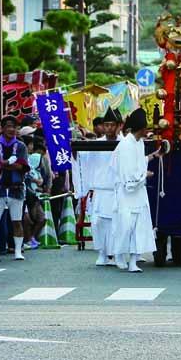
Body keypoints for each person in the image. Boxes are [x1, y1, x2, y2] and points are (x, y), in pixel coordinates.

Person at [111, 108, 163, 272]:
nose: (148, 131)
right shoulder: (125, 145)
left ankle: (133, 260)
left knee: (139, 227)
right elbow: (128, 172)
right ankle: (119, 255)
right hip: (128, 192)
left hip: (139, 192)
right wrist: (143, 175)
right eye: (146, 128)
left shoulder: (139, 143)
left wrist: (154, 155)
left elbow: (139, 162)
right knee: (125, 226)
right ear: (140, 129)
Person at [75, 108, 122, 266]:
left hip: (117, 191)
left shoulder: (124, 144)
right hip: (101, 191)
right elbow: (83, 160)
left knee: (115, 224)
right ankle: (102, 253)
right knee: (98, 223)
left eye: (112, 125)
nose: (109, 128)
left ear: (118, 126)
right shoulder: (96, 144)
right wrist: (74, 150)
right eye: (106, 125)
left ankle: (115, 254)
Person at [0, 116, 30, 261]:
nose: (11, 129)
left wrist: (2, 164)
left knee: (17, 221)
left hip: (16, 188)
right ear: (2, 128)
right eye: (8, 126)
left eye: (14, 127)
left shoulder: (21, 146)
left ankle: (17, 250)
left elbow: (22, 166)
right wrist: (8, 164)